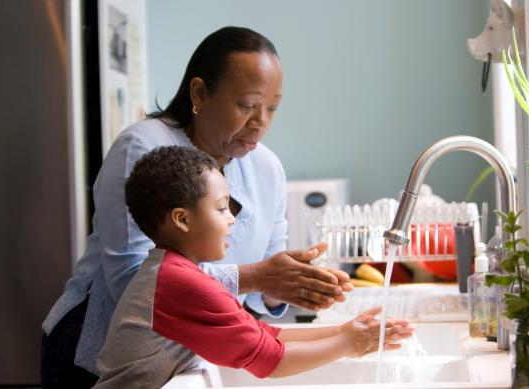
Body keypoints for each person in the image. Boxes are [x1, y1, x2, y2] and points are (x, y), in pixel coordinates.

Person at [41, 26, 352, 388]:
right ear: (200, 93)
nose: (261, 122)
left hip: (180, 358)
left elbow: (264, 287)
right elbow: (135, 280)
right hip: (96, 353)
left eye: (272, 108)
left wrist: (291, 283)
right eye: (248, 105)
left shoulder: (267, 168)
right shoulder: (144, 147)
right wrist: (258, 276)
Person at [93, 146, 413, 388]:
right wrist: (349, 344)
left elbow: (265, 334)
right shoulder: (177, 282)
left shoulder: (175, 272)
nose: (232, 219)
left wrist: (343, 331)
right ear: (182, 219)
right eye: (221, 209)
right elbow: (270, 360)